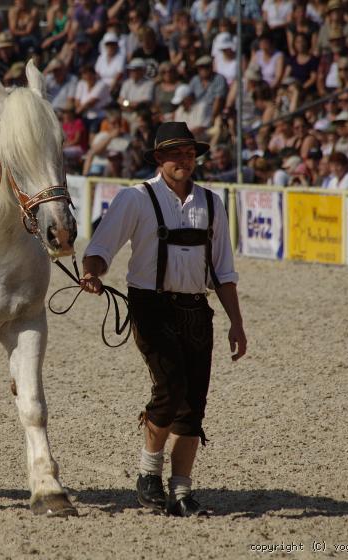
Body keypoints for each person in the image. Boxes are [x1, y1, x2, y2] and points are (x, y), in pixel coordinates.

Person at [80, 121, 246, 517]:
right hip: (150, 306)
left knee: (194, 404)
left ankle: (182, 491)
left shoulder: (212, 203)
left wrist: (236, 323)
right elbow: (101, 247)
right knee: (170, 388)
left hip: (196, 309)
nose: (184, 161)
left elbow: (223, 270)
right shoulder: (135, 198)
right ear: (159, 158)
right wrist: (93, 271)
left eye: (189, 154)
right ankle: (148, 473)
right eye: (176, 154)